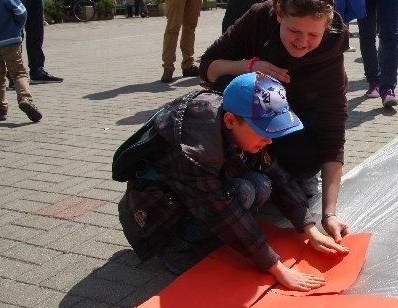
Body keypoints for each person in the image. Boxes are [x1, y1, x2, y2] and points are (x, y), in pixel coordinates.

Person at [115, 71, 348, 287]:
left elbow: (275, 173)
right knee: (243, 191)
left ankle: (206, 240)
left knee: (261, 184)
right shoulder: (196, 147)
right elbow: (220, 211)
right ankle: (177, 251)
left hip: (190, 199)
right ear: (230, 121)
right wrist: (275, 266)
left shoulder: (236, 123)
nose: (270, 140)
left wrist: (308, 227)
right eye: (264, 131)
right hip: (157, 221)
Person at [198, 0, 351, 244]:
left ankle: (283, 177)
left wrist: (329, 212)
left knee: (306, 154)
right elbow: (208, 67)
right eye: (294, 31)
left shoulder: (331, 52)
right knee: (224, 85)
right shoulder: (258, 18)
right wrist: (249, 67)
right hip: (254, 118)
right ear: (279, 14)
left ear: (326, 28)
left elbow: (333, 130)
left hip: (294, 122)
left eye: (314, 34)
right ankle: (239, 166)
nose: (303, 42)